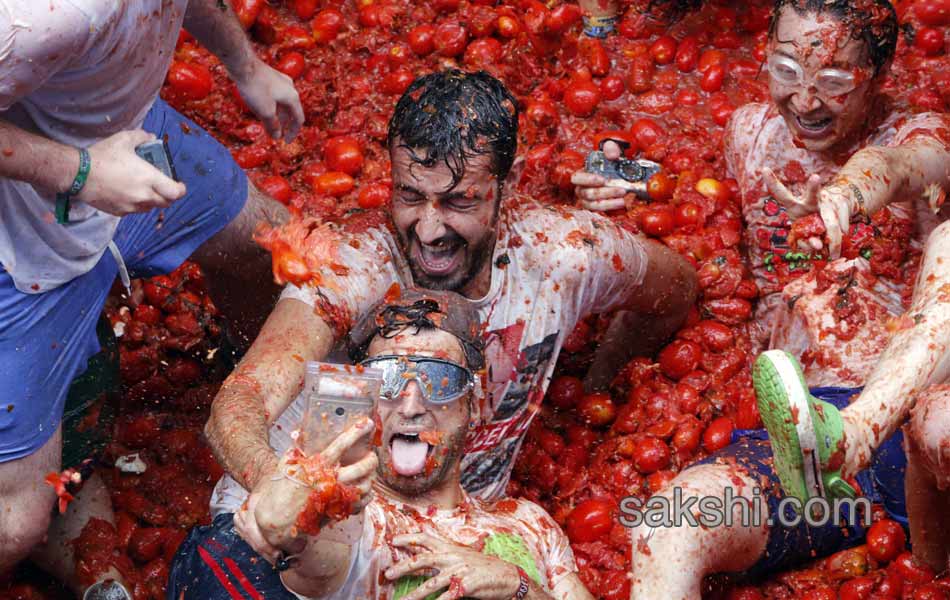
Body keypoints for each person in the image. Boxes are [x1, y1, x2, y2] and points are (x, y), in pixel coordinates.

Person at [203, 69, 697, 557]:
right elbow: (240, 401)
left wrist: (600, 378)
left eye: (460, 200)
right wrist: (280, 487)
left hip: (457, 535)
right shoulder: (352, 268)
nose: (430, 230)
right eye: (410, 196)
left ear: (512, 183)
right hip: (315, 525)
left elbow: (676, 289)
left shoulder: (563, 254)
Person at [573, 0, 950, 594]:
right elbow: (670, 174)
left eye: (832, 80)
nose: (805, 100)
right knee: (666, 528)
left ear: (877, 75)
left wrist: (848, 192)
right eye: (786, 70)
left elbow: (907, 165)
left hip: (906, 429)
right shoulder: (750, 133)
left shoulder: (916, 130)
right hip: (794, 451)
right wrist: (613, 182)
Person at [0, 1, 304, 597]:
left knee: (272, 251)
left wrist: (246, 67)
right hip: (22, 234)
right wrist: (80, 171)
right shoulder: (42, 17)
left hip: (124, 134)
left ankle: (251, 377)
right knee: (17, 523)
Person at [169, 290, 594, 600]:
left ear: (476, 404)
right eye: (387, 379)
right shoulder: (354, 516)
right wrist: (289, 516)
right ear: (365, 402)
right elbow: (316, 548)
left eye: (439, 380)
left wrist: (515, 585)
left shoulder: (530, 524)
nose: (410, 405)